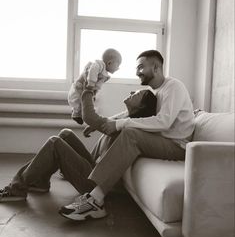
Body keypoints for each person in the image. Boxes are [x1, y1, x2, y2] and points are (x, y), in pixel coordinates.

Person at [58, 49, 195, 221]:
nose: (137, 72)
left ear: (156, 67)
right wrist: (110, 121)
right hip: (162, 139)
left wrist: (120, 124)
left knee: (130, 134)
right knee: (124, 130)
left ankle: (95, 201)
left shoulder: (173, 86)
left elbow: (164, 121)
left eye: (141, 67)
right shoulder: (154, 92)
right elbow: (130, 113)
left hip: (177, 145)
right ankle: (93, 179)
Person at [0, 88, 157, 205]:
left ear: (141, 107)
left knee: (55, 142)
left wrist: (88, 89)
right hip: (94, 167)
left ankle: (17, 188)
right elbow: (108, 120)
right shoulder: (125, 118)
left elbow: (89, 116)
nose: (132, 92)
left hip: (95, 182)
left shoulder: (129, 126)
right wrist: (97, 125)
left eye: (137, 94)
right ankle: (40, 182)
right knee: (66, 133)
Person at [68, 48, 122, 124]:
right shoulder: (100, 65)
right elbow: (92, 71)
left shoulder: (105, 74)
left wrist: (94, 92)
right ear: (110, 63)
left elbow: (98, 85)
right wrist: (91, 83)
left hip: (88, 88)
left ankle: (78, 114)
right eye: (118, 65)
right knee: (78, 99)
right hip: (81, 85)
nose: (118, 68)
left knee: (84, 103)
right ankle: (76, 113)